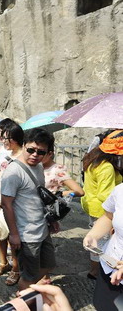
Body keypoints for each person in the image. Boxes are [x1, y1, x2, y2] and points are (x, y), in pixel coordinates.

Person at [1, 128, 57, 291]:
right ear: (24, 145)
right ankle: (24, 301)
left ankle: (29, 293)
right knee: (29, 276)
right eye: (31, 150)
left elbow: (37, 196)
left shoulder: (38, 166)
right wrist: (14, 234)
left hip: (41, 227)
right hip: (27, 233)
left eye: (40, 152)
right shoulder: (13, 172)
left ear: (47, 153)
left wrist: (50, 220)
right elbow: (6, 204)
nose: (35, 155)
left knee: (48, 265)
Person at [81, 130, 123, 280]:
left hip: (92, 205)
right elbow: (104, 194)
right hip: (102, 208)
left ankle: (96, 270)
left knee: (99, 242)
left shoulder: (93, 160)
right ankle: (95, 271)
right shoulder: (107, 168)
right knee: (102, 241)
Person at [0, 120, 23, 286]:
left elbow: (20, 186)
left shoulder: (23, 157)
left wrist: (3, 202)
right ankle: (4, 262)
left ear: (14, 139)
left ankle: (16, 268)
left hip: (12, 202)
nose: (2, 141)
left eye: (5, 138)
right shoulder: (4, 151)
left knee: (12, 236)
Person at [83, 181, 123, 310]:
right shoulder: (120, 190)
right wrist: (93, 235)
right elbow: (108, 216)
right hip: (110, 264)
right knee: (103, 305)